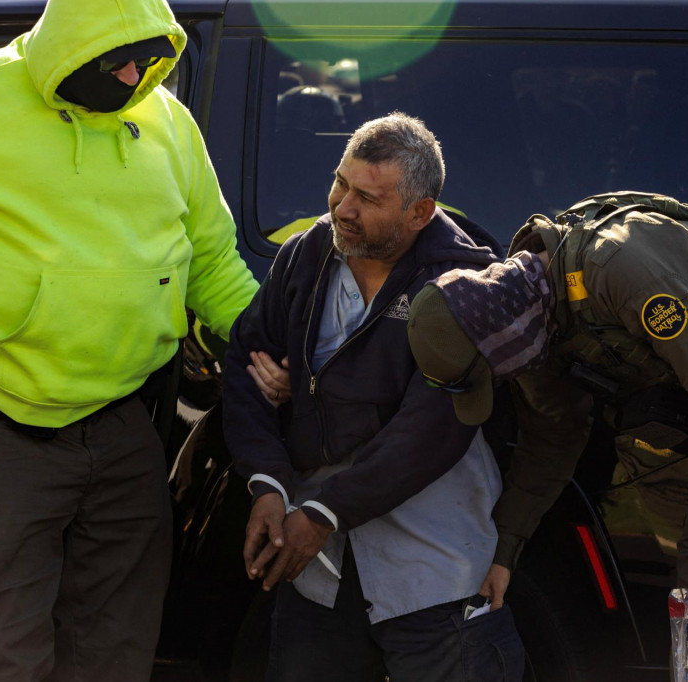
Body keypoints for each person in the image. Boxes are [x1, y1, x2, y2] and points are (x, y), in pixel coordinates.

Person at [0, 0, 258, 678]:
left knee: (116, 653)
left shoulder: (167, 124)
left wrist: (275, 343)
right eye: (118, 59)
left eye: (149, 58)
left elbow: (214, 265)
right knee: (3, 655)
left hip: (126, 428)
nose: (134, 75)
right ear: (71, 48)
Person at [406, 191, 688, 682]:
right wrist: (504, 553)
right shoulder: (530, 325)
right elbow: (552, 441)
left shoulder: (622, 266)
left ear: (497, 341)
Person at [223, 112, 525, 682]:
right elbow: (245, 359)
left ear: (420, 213)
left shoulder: (464, 281)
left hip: (431, 564)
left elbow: (429, 430)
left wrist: (322, 506)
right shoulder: (307, 254)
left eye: (367, 197)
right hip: (318, 565)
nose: (342, 207)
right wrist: (265, 481)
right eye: (340, 183)